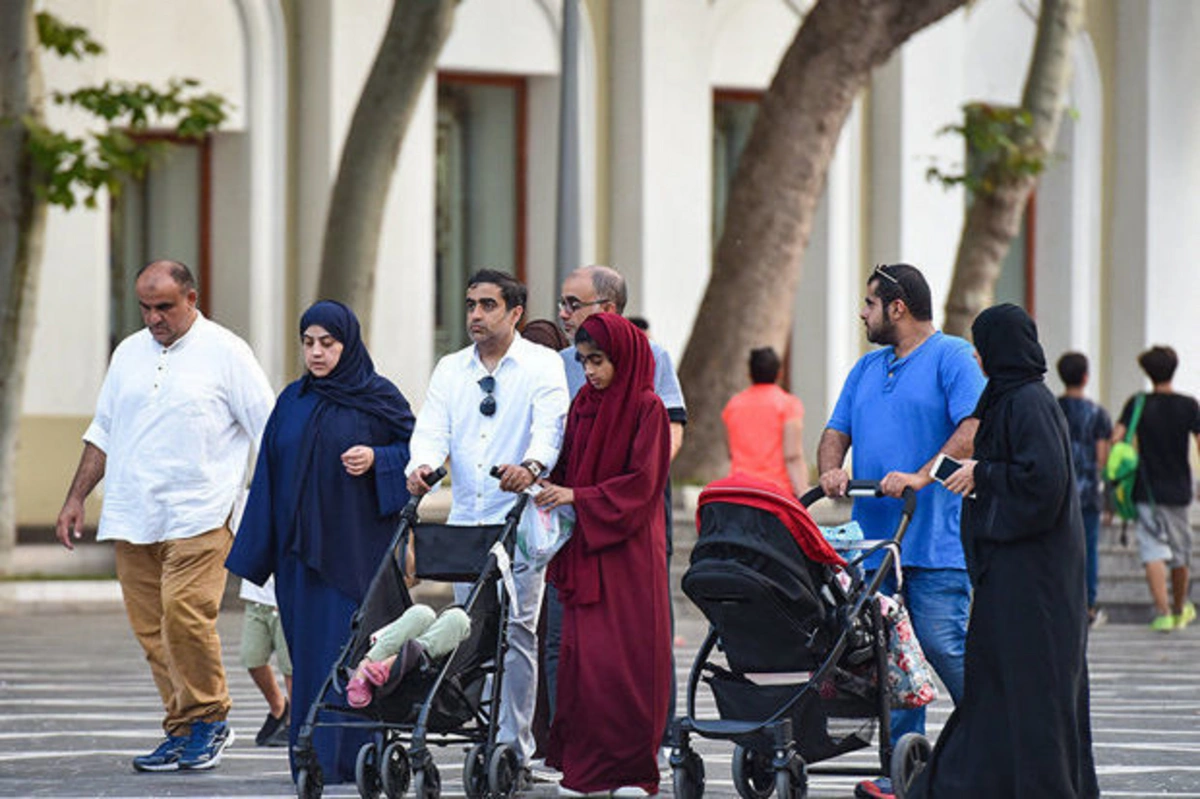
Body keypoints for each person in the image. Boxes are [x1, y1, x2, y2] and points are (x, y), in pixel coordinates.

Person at [54, 260, 275, 773]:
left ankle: (211, 719)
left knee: (184, 616)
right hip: (133, 513)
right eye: (145, 308)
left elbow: (268, 430)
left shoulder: (227, 353)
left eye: (165, 307)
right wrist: (74, 498)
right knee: (152, 629)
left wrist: (265, 507)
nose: (153, 318)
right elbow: (103, 431)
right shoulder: (128, 353)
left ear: (192, 299)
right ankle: (181, 727)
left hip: (202, 511)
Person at [909, 303, 1099, 798]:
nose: (975, 354)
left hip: (1034, 584)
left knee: (1031, 691)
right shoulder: (1008, 398)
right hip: (1015, 579)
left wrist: (985, 473)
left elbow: (1045, 483)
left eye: (982, 344)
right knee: (998, 686)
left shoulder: (1028, 403)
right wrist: (981, 476)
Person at [226, 300, 415, 784]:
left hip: (356, 554)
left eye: (327, 343)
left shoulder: (379, 397)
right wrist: (256, 550)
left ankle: (358, 758)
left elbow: (419, 453)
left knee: (354, 653)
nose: (316, 352)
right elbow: (266, 474)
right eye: (308, 343)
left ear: (347, 344)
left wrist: (378, 458)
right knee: (309, 657)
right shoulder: (292, 400)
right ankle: (312, 757)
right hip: (299, 560)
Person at [816, 263, 985, 799]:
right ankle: (902, 770)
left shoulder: (952, 356)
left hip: (933, 542)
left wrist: (921, 473)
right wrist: (830, 470)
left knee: (940, 645)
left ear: (897, 307)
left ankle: (1000, 741)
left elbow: (974, 427)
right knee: (893, 661)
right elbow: (834, 431)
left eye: (869, 304)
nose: (861, 314)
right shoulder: (867, 368)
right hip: (875, 550)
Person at [405, 269, 569, 775]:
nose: (475, 315)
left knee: (518, 632)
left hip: (518, 519)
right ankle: (474, 722)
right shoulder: (451, 369)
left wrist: (532, 468)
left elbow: (551, 426)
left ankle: (512, 747)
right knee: (470, 629)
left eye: (487, 306)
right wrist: (423, 466)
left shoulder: (542, 365)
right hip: (467, 520)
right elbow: (432, 428)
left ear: (515, 312)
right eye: (471, 304)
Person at [550, 264, 687, 756]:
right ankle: (579, 750)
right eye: (562, 302)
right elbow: (562, 448)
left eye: (573, 303)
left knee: (636, 639)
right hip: (580, 526)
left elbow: (665, 440)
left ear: (606, 309)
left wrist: (612, 486)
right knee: (576, 645)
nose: (563, 312)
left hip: (628, 523)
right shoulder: (571, 378)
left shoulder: (650, 377)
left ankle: (644, 746)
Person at [535, 313, 672, 797]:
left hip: (629, 555)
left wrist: (577, 497)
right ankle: (586, 770)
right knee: (584, 664)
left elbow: (642, 484)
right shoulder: (583, 405)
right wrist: (541, 482)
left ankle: (633, 772)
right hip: (586, 550)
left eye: (599, 361)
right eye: (585, 361)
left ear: (625, 358)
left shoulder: (648, 408)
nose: (590, 371)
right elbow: (566, 465)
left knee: (626, 665)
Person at [1112, 345, 1200, 632]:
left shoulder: (1137, 403)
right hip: (1178, 490)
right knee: (1180, 551)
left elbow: (1117, 439)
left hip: (1144, 489)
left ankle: (1162, 612)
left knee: (1152, 550)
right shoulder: (1189, 405)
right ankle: (1179, 608)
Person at [1056, 352, 1113, 627]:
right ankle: (1088, 606)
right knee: (1088, 549)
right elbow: (1102, 457)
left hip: (1057, 491)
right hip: (1088, 492)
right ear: (1086, 377)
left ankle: (1060, 601)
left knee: (1057, 547)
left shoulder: (1053, 408)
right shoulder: (1098, 413)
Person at [345, 604, 471, 708]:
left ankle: (393, 661)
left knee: (458, 618)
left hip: (424, 672)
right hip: (384, 660)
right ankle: (365, 665)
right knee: (422, 613)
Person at [722, 346, 809, 496]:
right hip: (776, 493)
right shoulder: (788, 405)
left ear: (750, 374)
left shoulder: (733, 405)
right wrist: (803, 493)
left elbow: (730, 451)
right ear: (779, 374)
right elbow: (792, 455)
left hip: (740, 490)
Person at [239, 576, 292, 747]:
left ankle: (295, 720)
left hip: (286, 601)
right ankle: (279, 706)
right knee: (252, 658)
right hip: (255, 600)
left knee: (290, 667)